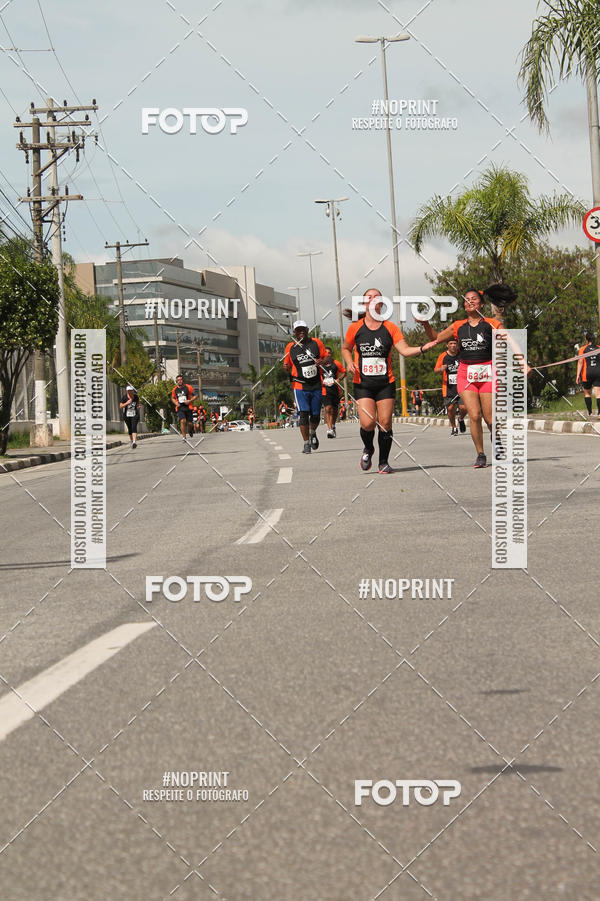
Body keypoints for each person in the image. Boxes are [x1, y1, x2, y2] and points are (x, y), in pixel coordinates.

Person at [342, 288, 430, 474]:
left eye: (377, 297)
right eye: (369, 297)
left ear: (382, 303)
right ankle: (368, 448)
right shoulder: (355, 328)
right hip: (363, 383)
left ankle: (383, 462)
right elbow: (346, 348)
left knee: (385, 423)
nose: (373, 300)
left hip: (385, 383)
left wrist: (423, 347)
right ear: (364, 303)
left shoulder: (390, 328)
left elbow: (405, 350)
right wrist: (349, 362)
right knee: (367, 423)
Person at [422, 287, 508, 468]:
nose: (470, 301)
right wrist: (425, 324)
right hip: (466, 374)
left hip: (487, 372)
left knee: (490, 418)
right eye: (467, 299)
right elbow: (436, 337)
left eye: (474, 299)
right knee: (474, 415)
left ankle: (497, 439)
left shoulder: (492, 323)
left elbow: (506, 344)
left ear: (481, 304)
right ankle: (481, 454)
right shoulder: (458, 326)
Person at [283, 319, 328, 454]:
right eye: (298, 330)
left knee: (315, 415)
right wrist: (285, 367)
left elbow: (327, 358)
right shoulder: (290, 347)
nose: (301, 332)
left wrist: (322, 361)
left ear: (307, 330)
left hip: (316, 384)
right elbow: (286, 365)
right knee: (303, 414)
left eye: (303, 329)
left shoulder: (316, 343)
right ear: (294, 332)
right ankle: (306, 443)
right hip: (299, 386)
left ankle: (312, 432)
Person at [434, 338, 467, 436]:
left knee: (464, 407)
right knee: (450, 408)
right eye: (451, 343)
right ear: (447, 345)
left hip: (462, 385)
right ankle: (453, 427)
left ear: (457, 345)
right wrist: (441, 369)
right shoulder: (443, 356)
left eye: (455, 343)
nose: (453, 345)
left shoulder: (462, 354)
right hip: (448, 387)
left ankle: (460, 419)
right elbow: (435, 370)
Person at [321, 346, 346, 438]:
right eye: (326, 353)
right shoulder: (320, 365)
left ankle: (333, 425)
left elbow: (344, 372)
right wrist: (322, 382)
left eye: (329, 353)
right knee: (327, 408)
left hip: (335, 389)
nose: (327, 354)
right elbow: (317, 375)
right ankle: (329, 429)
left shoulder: (336, 363)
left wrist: (339, 379)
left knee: (335, 409)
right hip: (325, 389)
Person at [576, 332, 600, 417]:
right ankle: (599, 413)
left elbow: (580, 362)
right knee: (598, 393)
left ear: (586, 340)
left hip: (587, 373)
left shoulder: (583, 349)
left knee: (587, 393)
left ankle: (590, 413)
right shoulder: (598, 348)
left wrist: (577, 375)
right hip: (598, 372)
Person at [171, 375, 197, 441]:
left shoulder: (188, 387)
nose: (180, 381)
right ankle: (184, 437)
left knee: (190, 423)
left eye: (181, 379)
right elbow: (173, 398)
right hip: (180, 407)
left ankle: (191, 429)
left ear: (183, 380)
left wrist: (190, 401)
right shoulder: (174, 390)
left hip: (188, 407)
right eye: (178, 380)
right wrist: (175, 403)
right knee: (182, 421)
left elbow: (195, 395)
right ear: (176, 381)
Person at [119, 384, 140, 448]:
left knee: (134, 427)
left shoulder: (136, 397)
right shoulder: (124, 397)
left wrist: (138, 406)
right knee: (130, 428)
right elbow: (121, 406)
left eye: (131, 390)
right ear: (127, 391)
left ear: (133, 391)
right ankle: (131, 440)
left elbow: (138, 403)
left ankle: (134, 442)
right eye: (128, 391)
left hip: (135, 414)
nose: (130, 392)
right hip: (126, 415)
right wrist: (127, 403)